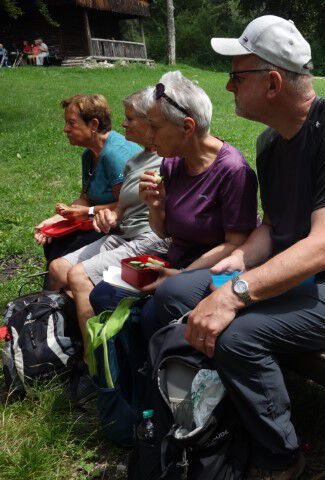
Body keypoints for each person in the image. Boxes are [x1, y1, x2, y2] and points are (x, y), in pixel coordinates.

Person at [173, 15, 325, 479]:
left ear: (273, 82)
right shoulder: (271, 143)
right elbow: (275, 225)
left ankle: (282, 458)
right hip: (305, 275)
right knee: (173, 293)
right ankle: (200, 415)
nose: (228, 86)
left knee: (239, 337)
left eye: (237, 76)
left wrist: (236, 292)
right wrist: (240, 258)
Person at [88, 70, 259, 342]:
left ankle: (156, 361)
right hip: (174, 261)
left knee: (150, 314)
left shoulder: (233, 171)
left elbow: (235, 244)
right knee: (102, 294)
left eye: (155, 127)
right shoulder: (172, 162)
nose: (149, 135)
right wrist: (156, 206)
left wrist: (180, 275)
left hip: (213, 271)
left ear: (187, 127)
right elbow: (164, 232)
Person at [47, 88, 167, 370]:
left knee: (78, 276)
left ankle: (95, 366)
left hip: (150, 237)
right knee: (58, 267)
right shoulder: (135, 161)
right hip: (122, 234)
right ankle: (70, 337)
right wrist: (110, 217)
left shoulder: (166, 160)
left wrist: (91, 213)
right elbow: (119, 208)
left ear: (151, 122)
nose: (123, 124)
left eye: (130, 119)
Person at [36, 94, 141, 288]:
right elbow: (86, 197)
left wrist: (87, 212)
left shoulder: (113, 155)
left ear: (93, 124)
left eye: (72, 123)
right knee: (55, 239)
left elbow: (126, 206)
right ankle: (57, 297)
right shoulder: (89, 154)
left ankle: (62, 297)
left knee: (65, 247)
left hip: (122, 228)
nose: (65, 129)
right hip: (99, 221)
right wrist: (57, 221)